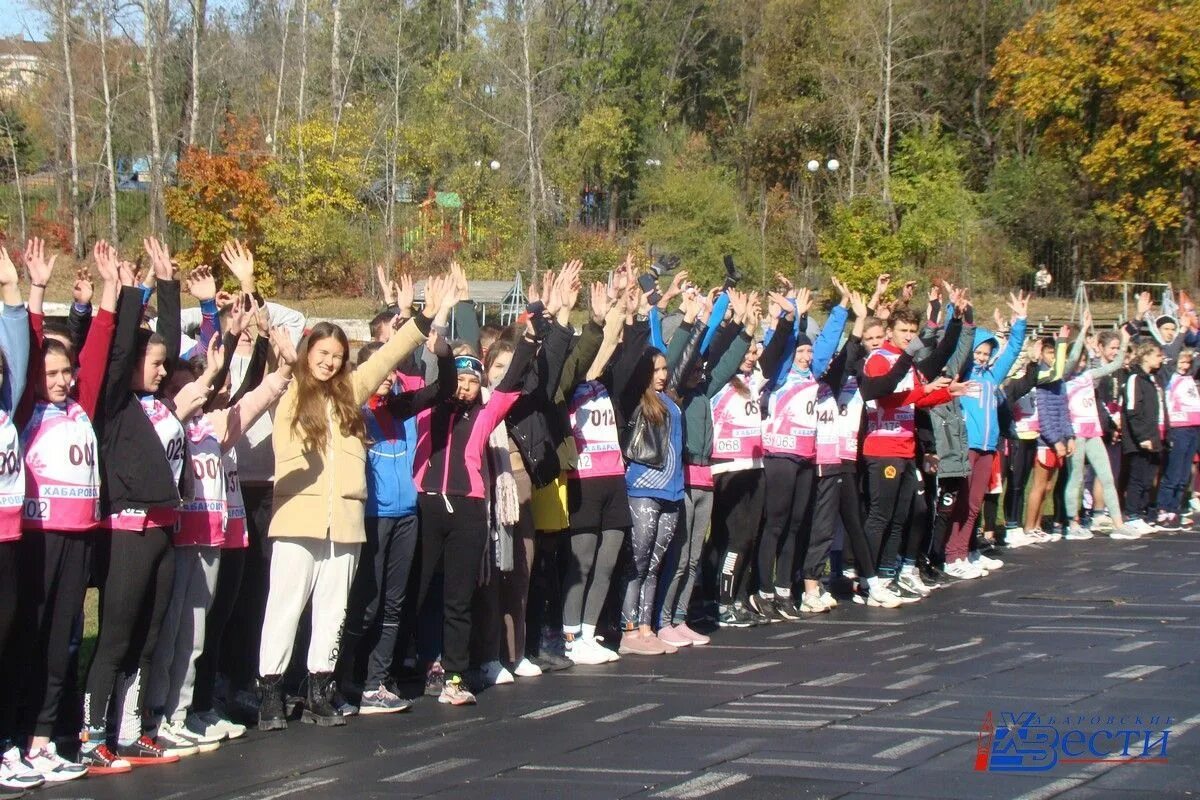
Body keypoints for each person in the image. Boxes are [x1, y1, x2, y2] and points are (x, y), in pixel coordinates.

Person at [255, 277, 443, 731]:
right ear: (307, 355)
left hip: (344, 524)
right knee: (284, 608)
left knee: (334, 610)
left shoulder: (349, 396)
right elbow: (274, 365)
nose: (329, 362)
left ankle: (321, 691)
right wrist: (253, 296)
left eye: (337, 357)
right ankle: (270, 693)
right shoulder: (292, 394)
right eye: (322, 354)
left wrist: (423, 317)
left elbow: (386, 357)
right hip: (298, 520)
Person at [1122, 340, 1166, 535]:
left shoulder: (1153, 379)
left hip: (1154, 436)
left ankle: (1140, 512)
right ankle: (1132, 515)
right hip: (1140, 438)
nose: (1161, 359)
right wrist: (1142, 436)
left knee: (1148, 478)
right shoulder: (1135, 379)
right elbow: (1132, 410)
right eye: (1157, 355)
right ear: (1146, 355)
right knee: (1137, 477)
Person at [1155, 348, 1200, 530]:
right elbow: (1171, 360)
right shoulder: (1169, 378)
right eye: (1181, 362)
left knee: (1184, 474)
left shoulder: (1189, 378)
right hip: (1178, 428)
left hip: (1194, 428)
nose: (1184, 366)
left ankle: (1176, 508)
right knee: (1173, 472)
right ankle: (1163, 508)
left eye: (1187, 363)